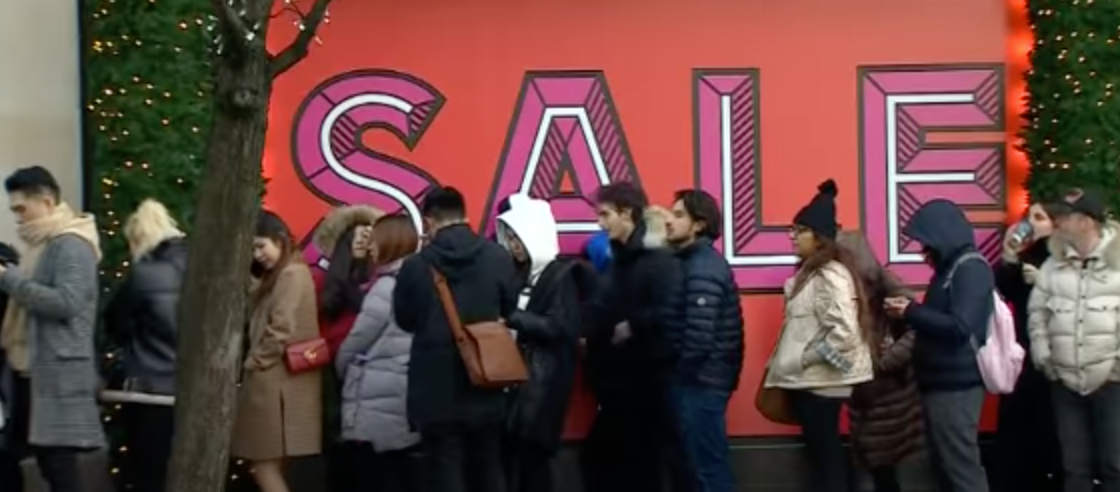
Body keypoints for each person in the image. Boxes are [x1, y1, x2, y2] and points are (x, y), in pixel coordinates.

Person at [392, 186, 518, 492]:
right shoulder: (497, 256)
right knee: (489, 465)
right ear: (464, 214)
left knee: (444, 469)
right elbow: (509, 308)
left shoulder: (416, 266)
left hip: (434, 390)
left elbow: (404, 320)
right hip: (486, 380)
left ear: (429, 221)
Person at [763, 179, 873, 492]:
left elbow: (845, 334)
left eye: (799, 230)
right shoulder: (812, 272)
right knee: (823, 458)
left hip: (822, 383)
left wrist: (803, 358)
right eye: (792, 229)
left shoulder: (830, 274)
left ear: (819, 237)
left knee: (826, 460)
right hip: (814, 381)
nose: (791, 236)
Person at [0, 166, 104, 492]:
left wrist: (10, 279)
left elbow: (67, 303)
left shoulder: (70, 244)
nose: (18, 218)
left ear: (45, 202)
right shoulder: (47, 244)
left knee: (58, 464)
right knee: (45, 460)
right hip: (39, 374)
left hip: (58, 374)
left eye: (21, 208)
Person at [582, 182, 685, 492]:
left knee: (639, 466)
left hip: (645, 382)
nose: (600, 223)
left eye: (605, 214)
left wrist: (631, 326)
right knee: (607, 463)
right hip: (620, 383)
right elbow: (605, 306)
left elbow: (670, 313)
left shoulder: (656, 260)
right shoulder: (622, 259)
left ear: (627, 214)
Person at [886, 199, 992, 492]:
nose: (923, 251)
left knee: (961, 469)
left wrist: (910, 311)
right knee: (945, 466)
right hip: (940, 382)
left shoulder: (970, 269)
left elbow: (959, 327)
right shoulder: (949, 270)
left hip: (957, 386)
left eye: (926, 242)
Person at [497, 194, 590, 492]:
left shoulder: (561, 276)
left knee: (534, 461)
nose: (512, 245)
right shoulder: (521, 274)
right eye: (509, 238)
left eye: (517, 238)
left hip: (544, 385)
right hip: (519, 381)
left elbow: (560, 327)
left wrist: (513, 318)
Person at [1028, 191, 1120, 492]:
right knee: (1073, 468)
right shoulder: (1052, 266)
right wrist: (1045, 359)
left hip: (1113, 382)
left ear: (1085, 221)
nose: (1059, 222)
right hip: (1064, 381)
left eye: (1065, 216)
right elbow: (1037, 315)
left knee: (1114, 465)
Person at [231, 211, 323, 492]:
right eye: (252, 248)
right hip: (281, 383)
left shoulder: (292, 274)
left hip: (275, 384)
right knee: (271, 464)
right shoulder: (285, 273)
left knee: (263, 464)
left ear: (280, 241)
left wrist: (254, 361)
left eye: (261, 246)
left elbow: (280, 328)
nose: (257, 254)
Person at [101, 199, 188, 492]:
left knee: (146, 474)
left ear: (138, 239)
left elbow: (114, 322)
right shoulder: (201, 266)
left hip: (149, 392)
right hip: (194, 390)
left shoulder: (143, 275)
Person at [663, 189, 743, 492]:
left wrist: (675, 377)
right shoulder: (689, 261)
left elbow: (699, 337)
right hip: (697, 382)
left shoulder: (703, 266)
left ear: (699, 224)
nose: (669, 221)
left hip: (699, 384)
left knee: (706, 470)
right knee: (693, 468)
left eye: (679, 214)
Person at [336, 213, 422, 492]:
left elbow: (355, 343)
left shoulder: (384, 289)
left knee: (376, 477)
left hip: (376, 398)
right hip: (403, 394)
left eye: (375, 242)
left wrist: (343, 368)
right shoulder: (418, 282)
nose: (370, 248)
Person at [839, 232, 922, 492]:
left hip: (888, 398)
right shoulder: (841, 295)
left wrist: (888, 360)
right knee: (874, 469)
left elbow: (918, 327)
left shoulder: (886, 290)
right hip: (861, 396)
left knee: (885, 472)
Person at [309, 204, 382, 492]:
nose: (364, 244)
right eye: (358, 238)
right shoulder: (320, 281)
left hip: (370, 376)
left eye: (369, 238)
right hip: (332, 373)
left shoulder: (379, 281)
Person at [992, 202, 1063, 492]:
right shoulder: (1027, 255)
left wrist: (1044, 282)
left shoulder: (1063, 259)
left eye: (1039, 217)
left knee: (1052, 433)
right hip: (1022, 356)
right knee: (1017, 432)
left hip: (1056, 359)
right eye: (1028, 217)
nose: (1030, 223)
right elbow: (1002, 290)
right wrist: (1009, 255)